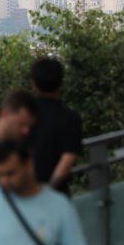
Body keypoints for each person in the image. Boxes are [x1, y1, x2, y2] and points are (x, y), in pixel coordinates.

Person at [29, 57, 83, 196]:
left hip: (24, 192)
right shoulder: (70, 118)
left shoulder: (23, 114)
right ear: (61, 82)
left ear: (34, 83)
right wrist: (48, 190)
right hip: (58, 194)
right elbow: (69, 157)